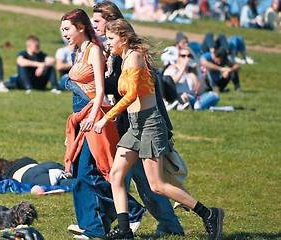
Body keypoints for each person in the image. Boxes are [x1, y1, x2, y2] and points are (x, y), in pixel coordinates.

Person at [93, 19, 224, 240]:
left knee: (157, 185)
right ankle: (124, 231)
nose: (108, 43)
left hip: (150, 125)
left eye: (111, 38)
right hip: (135, 125)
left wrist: (106, 118)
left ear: (123, 38)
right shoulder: (121, 58)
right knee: (116, 176)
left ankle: (209, 213)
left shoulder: (134, 56)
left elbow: (132, 93)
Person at [61, 9, 144, 239]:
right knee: (79, 173)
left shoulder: (94, 50)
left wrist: (92, 117)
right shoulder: (77, 52)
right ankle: (91, 225)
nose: (64, 34)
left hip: (93, 116)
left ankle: (127, 212)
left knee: (89, 172)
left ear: (81, 27)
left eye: (67, 29)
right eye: (62, 30)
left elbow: (99, 92)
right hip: (80, 115)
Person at [0, 157, 73, 187]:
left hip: (28, 176)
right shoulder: (23, 160)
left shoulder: (7, 175)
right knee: (73, 172)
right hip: (43, 165)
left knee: (62, 183)